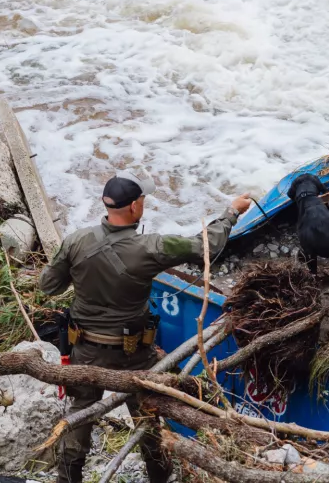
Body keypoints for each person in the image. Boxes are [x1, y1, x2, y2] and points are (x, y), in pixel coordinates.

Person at [40, 170, 252, 483]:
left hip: (85, 350)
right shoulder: (151, 247)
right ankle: (158, 477)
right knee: (147, 418)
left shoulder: (76, 241)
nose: (144, 203)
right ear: (134, 207)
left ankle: (67, 478)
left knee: (81, 411)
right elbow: (206, 246)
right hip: (133, 357)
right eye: (143, 199)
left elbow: (48, 286)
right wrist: (232, 212)